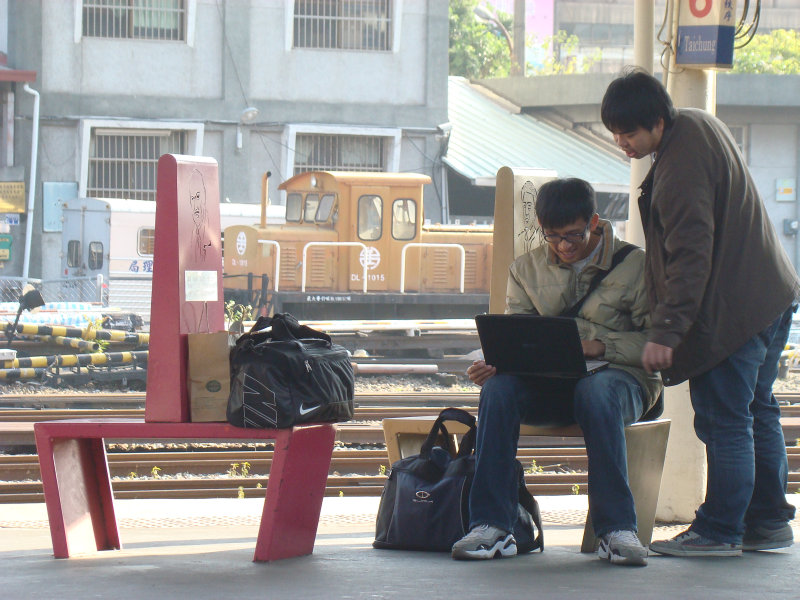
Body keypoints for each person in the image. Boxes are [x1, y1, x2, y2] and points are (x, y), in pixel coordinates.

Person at [601, 68, 799, 557]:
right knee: (757, 410)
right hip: (769, 294)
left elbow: (691, 256)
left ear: (656, 122)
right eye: (615, 134)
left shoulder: (678, 171)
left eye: (629, 133)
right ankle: (768, 521)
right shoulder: (696, 124)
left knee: (725, 420)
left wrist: (666, 331)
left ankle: (719, 529)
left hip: (731, 313)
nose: (622, 143)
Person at [451, 178, 662, 566]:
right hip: (551, 383)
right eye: (552, 237)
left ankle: (616, 529)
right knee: (497, 391)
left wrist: (601, 347)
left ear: (595, 223)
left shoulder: (637, 266)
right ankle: (491, 525)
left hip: (620, 382)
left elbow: (660, 343)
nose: (564, 247)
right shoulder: (525, 269)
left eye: (574, 236)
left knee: (595, 393)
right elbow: (519, 337)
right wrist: (498, 363)